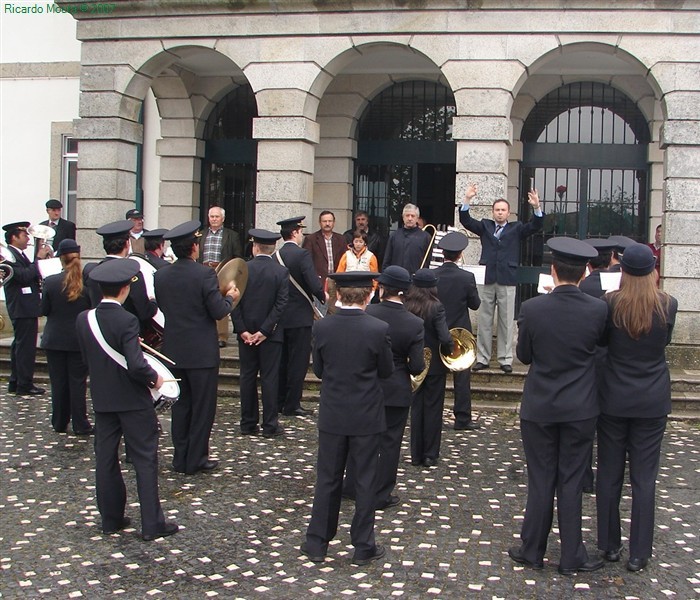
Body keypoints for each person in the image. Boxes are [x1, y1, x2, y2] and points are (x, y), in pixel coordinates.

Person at [508, 237, 607, 576]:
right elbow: (599, 347)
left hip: (539, 406)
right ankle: (571, 556)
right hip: (580, 407)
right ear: (583, 274)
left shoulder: (533, 309)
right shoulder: (598, 309)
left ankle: (532, 549)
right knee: (571, 481)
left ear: (553, 271)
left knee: (540, 479)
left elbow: (524, 357)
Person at [75, 258, 178, 541]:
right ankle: (152, 524)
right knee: (145, 460)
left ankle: (110, 519)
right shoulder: (127, 319)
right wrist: (155, 379)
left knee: (105, 459)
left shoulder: (84, 318)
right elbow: (136, 365)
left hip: (103, 399)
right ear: (124, 289)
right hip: (133, 401)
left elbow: (87, 360)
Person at [300, 271, 393, 566]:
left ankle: (317, 542)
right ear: (369, 295)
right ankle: (363, 545)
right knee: (365, 480)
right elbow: (386, 370)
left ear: (337, 294)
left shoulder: (323, 328)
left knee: (327, 478)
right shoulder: (378, 328)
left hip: (334, 413)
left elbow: (319, 371)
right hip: (366, 415)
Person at [596, 243, 677, 573]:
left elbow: (602, 343)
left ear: (623, 270)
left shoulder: (610, 303)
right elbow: (665, 342)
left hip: (614, 395)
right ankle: (640, 551)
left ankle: (609, 545)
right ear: (653, 271)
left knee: (609, 475)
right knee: (645, 479)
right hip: (652, 397)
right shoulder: (668, 304)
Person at [154, 220, 239, 475]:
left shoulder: (161, 275)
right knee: (202, 409)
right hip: (201, 352)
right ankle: (197, 457)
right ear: (194, 247)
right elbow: (218, 310)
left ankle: (180, 458)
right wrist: (230, 297)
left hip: (174, 349)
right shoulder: (204, 274)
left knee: (181, 407)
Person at [344, 266, 425, 510]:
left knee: (358, 438)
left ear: (382, 287)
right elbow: (417, 366)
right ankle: (380, 493)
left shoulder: (368, 312)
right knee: (390, 443)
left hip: (365, 385)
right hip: (396, 390)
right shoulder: (415, 323)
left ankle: (352, 486)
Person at [459, 184, 543, 373]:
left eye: (503, 210)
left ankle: (505, 359)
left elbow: (536, 225)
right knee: (484, 321)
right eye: (497, 210)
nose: (499, 213)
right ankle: (483, 358)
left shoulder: (517, 228)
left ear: (509, 213)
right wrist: (467, 199)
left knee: (506, 321)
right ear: (492, 211)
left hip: (507, 279)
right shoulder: (485, 226)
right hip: (487, 278)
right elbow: (466, 220)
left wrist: (536, 207)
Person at [231, 229, 288, 437]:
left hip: (247, 333)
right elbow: (281, 304)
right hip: (271, 335)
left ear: (255, 247)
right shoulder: (281, 272)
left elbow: (233, 302)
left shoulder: (242, 269)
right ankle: (270, 424)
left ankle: (248, 422)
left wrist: (243, 330)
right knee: (270, 378)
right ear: (273, 249)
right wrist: (265, 330)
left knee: (247, 377)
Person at [40, 239, 92, 434]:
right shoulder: (86, 284)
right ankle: (80, 423)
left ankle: (59, 422)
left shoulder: (51, 282)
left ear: (61, 258)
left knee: (58, 382)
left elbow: (44, 309)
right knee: (77, 383)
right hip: (77, 340)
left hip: (54, 339)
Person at [274, 216, 325, 417]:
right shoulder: (302, 255)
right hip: (300, 317)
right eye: (300, 231)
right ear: (295, 232)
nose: (302, 234)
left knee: (282, 360)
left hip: (281, 316)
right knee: (298, 362)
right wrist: (322, 295)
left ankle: (278, 401)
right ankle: (292, 403)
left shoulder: (275, 256)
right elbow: (312, 282)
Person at [404, 268, 454, 467]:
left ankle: (416, 454)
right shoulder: (436, 307)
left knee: (416, 408)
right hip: (434, 366)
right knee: (433, 408)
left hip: (411, 363)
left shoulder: (406, 305)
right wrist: (450, 349)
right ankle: (430, 454)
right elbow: (444, 336)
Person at [434, 232, 482, 430]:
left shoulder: (433, 276)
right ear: (460, 254)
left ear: (442, 253)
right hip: (460, 332)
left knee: (436, 376)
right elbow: (475, 304)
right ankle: (462, 418)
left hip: (438, 329)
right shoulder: (467, 277)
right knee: (462, 378)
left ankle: (434, 416)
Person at [2, 221, 52, 395]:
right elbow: (23, 276)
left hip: (26, 305)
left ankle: (16, 381)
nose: (28, 238)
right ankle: (24, 384)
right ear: (14, 237)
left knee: (20, 346)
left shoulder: (19, 255)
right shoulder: (8, 256)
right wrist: (37, 259)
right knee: (26, 348)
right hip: (21, 307)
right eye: (24, 235)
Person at [83, 220, 158, 336]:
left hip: (98, 335)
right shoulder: (131, 274)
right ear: (127, 244)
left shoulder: (92, 272)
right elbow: (145, 312)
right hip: (126, 335)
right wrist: (153, 302)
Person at [199, 205, 243, 348]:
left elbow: (237, 256)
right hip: (204, 269)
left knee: (221, 301)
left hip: (222, 270)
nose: (214, 219)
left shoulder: (232, 235)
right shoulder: (201, 234)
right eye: (211, 216)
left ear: (223, 219)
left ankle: (222, 336)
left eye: (217, 216)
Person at [302, 210, 347, 287]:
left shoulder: (341, 239)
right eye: (324, 221)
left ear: (334, 222)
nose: (327, 224)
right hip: (319, 281)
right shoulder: (311, 239)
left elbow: (345, 259)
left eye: (330, 221)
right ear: (320, 222)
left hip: (337, 280)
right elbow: (306, 262)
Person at [382, 203, 431, 275]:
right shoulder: (394, 236)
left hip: (416, 281)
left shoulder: (426, 237)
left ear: (417, 218)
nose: (410, 218)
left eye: (412, 216)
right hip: (396, 280)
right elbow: (387, 260)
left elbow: (428, 262)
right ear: (403, 217)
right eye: (407, 215)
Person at [336, 231, 379, 296]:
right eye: (356, 241)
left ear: (365, 243)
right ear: (353, 242)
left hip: (365, 290)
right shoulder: (346, 255)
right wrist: (340, 289)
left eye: (361, 242)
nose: (358, 244)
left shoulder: (371, 256)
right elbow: (339, 273)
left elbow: (375, 276)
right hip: (348, 288)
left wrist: (373, 291)